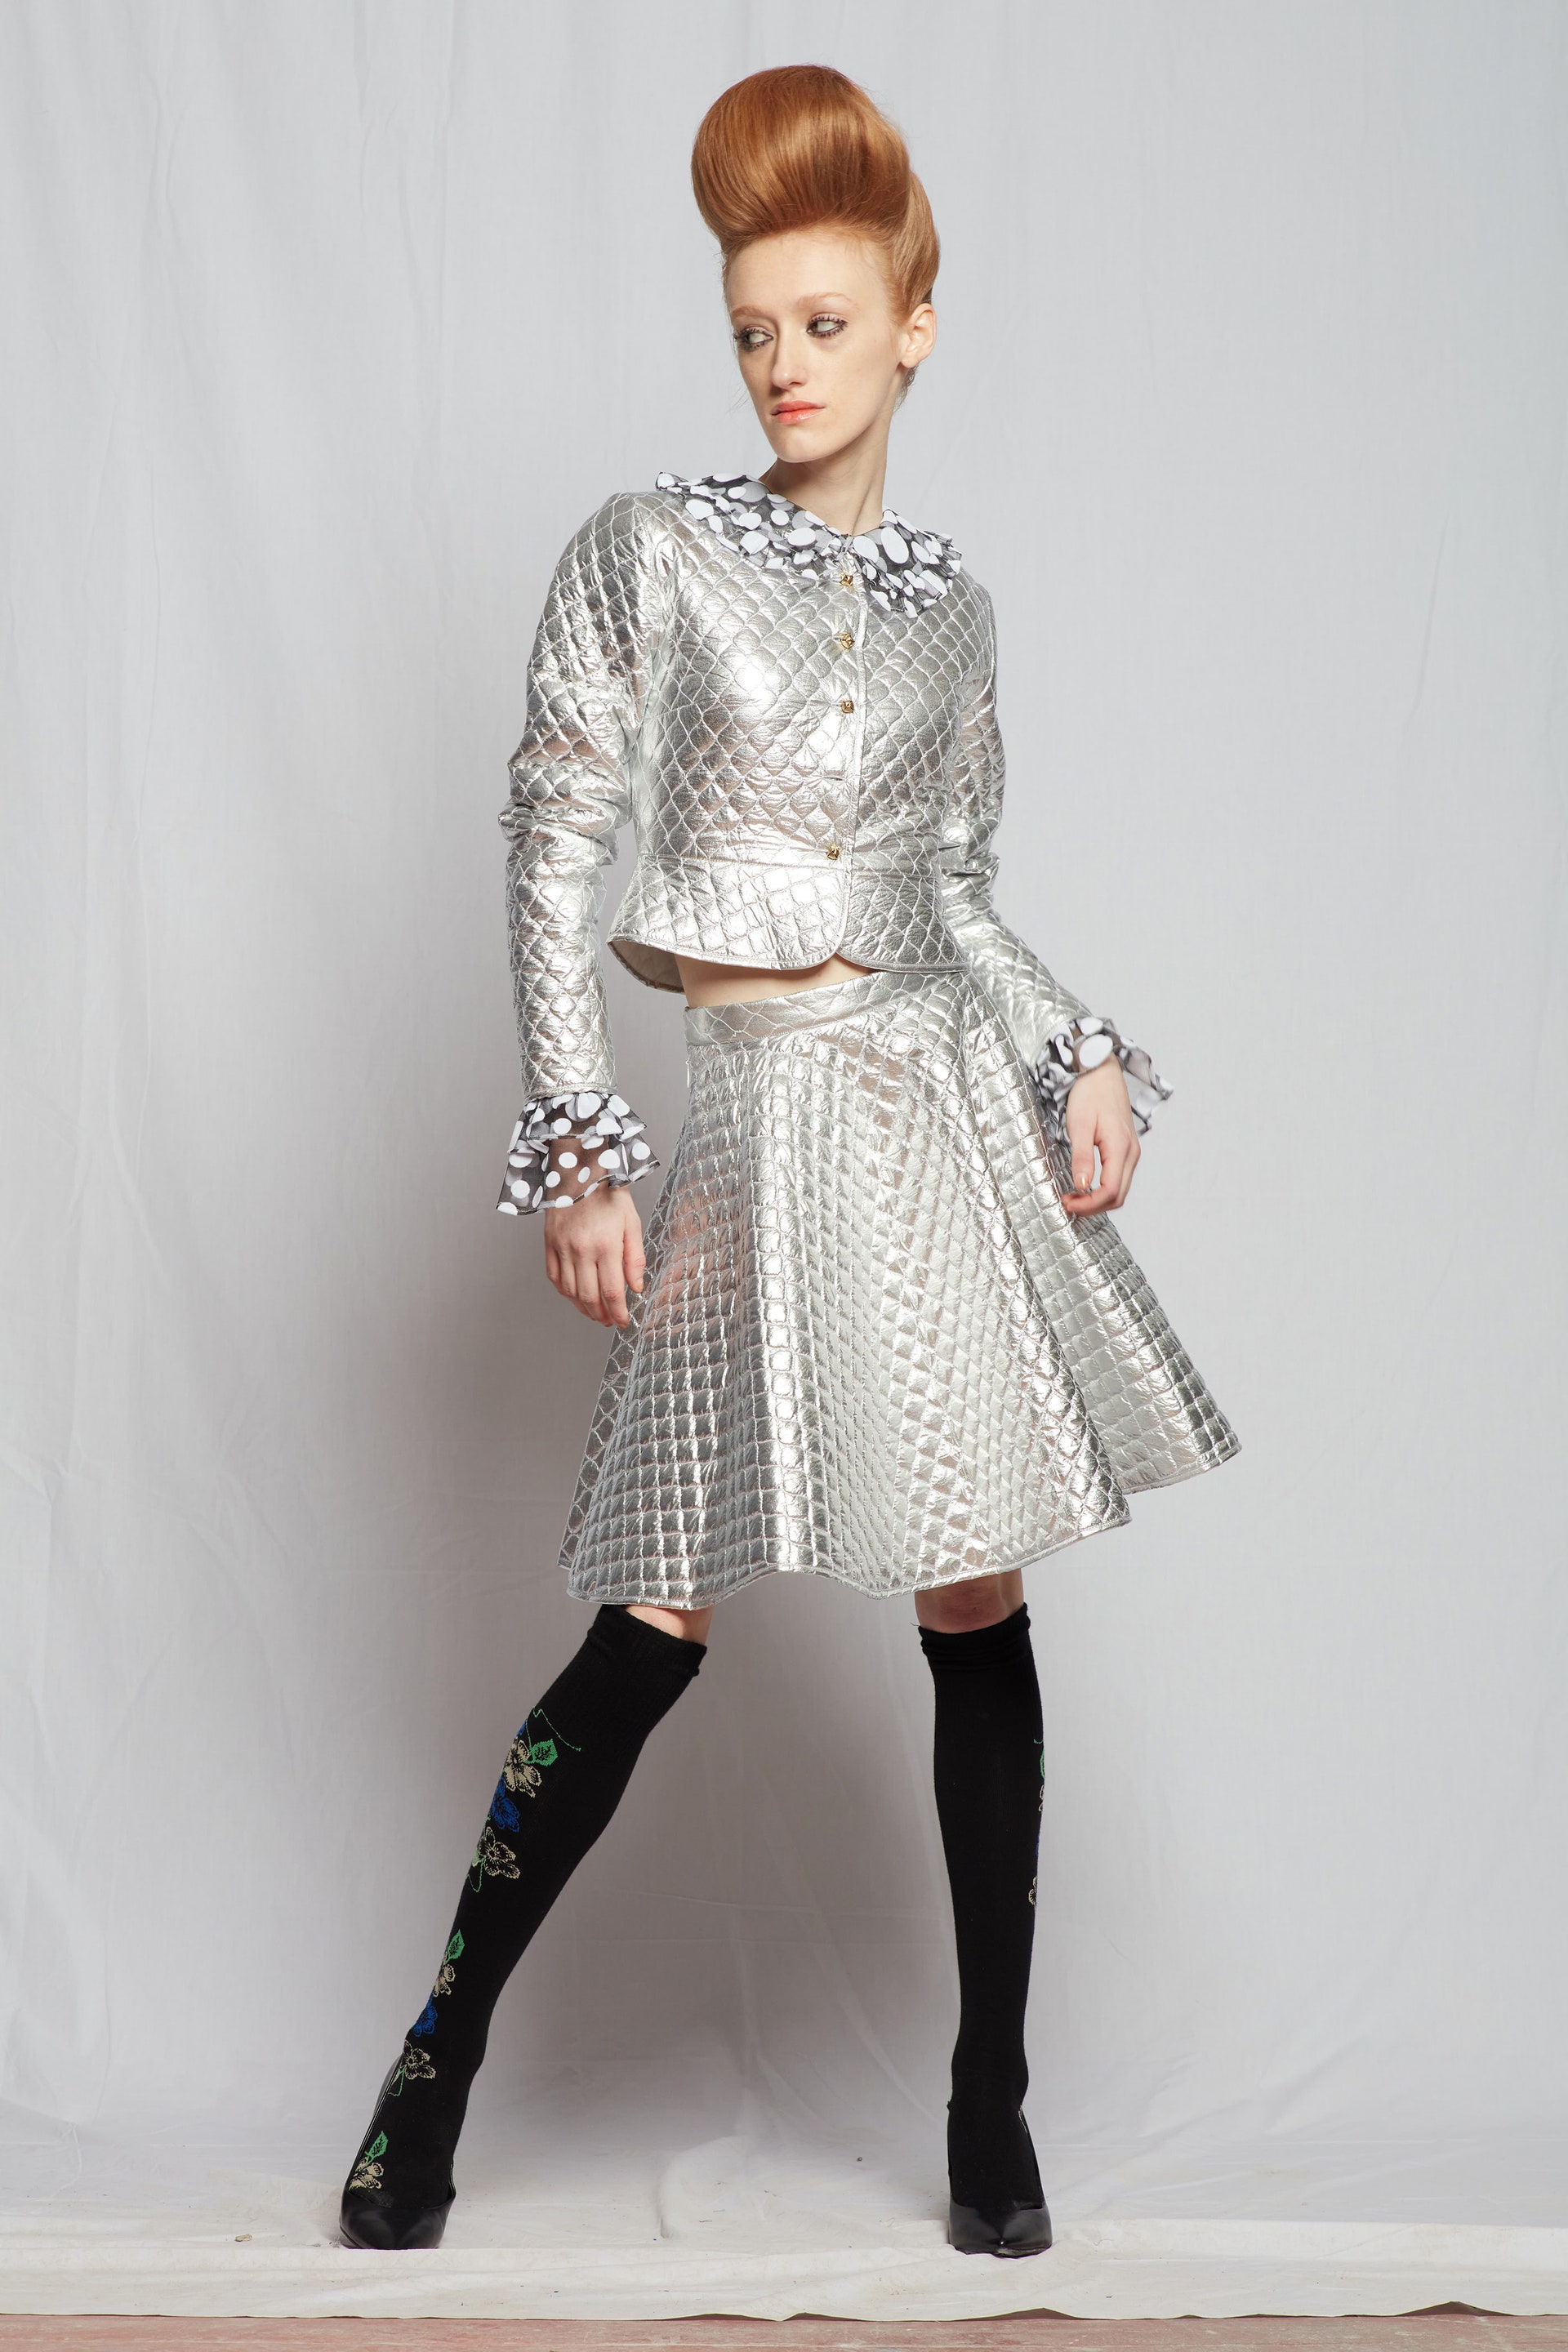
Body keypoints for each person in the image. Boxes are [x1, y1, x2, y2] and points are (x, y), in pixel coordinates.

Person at [339, 62, 1239, 2264]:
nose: (783, 364)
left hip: (933, 1116)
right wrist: (581, 1142)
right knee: (654, 1615)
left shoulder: (953, 611)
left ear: (914, 324)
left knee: (976, 1593)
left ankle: (989, 2101)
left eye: (824, 323)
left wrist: (1083, 1051)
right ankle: (433, 2063)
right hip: (749, 1126)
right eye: (753, 329)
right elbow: (554, 840)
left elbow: (957, 892)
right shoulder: (648, 550)